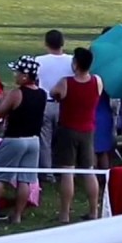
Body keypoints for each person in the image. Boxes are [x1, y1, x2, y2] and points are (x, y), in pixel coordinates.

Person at [51, 47, 104, 222]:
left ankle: (65, 213)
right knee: (89, 171)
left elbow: (53, 93)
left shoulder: (66, 82)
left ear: (75, 64)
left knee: (67, 173)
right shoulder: (97, 81)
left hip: (68, 130)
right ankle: (94, 211)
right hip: (88, 131)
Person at [0, 56, 47, 223]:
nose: (14, 75)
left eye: (17, 72)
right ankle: (17, 215)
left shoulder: (17, 93)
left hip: (15, 139)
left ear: (25, 76)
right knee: (25, 179)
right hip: (34, 141)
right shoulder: (42, 94)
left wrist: (1, 100)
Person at [36, 29, 73, 173]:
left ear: (46, 43)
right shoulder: (71, 60)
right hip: (65, 104)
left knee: (45, 140)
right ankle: (63, 168)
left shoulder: (39, 60)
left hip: (46, 103)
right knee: (63, 139)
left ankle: (47, 172)